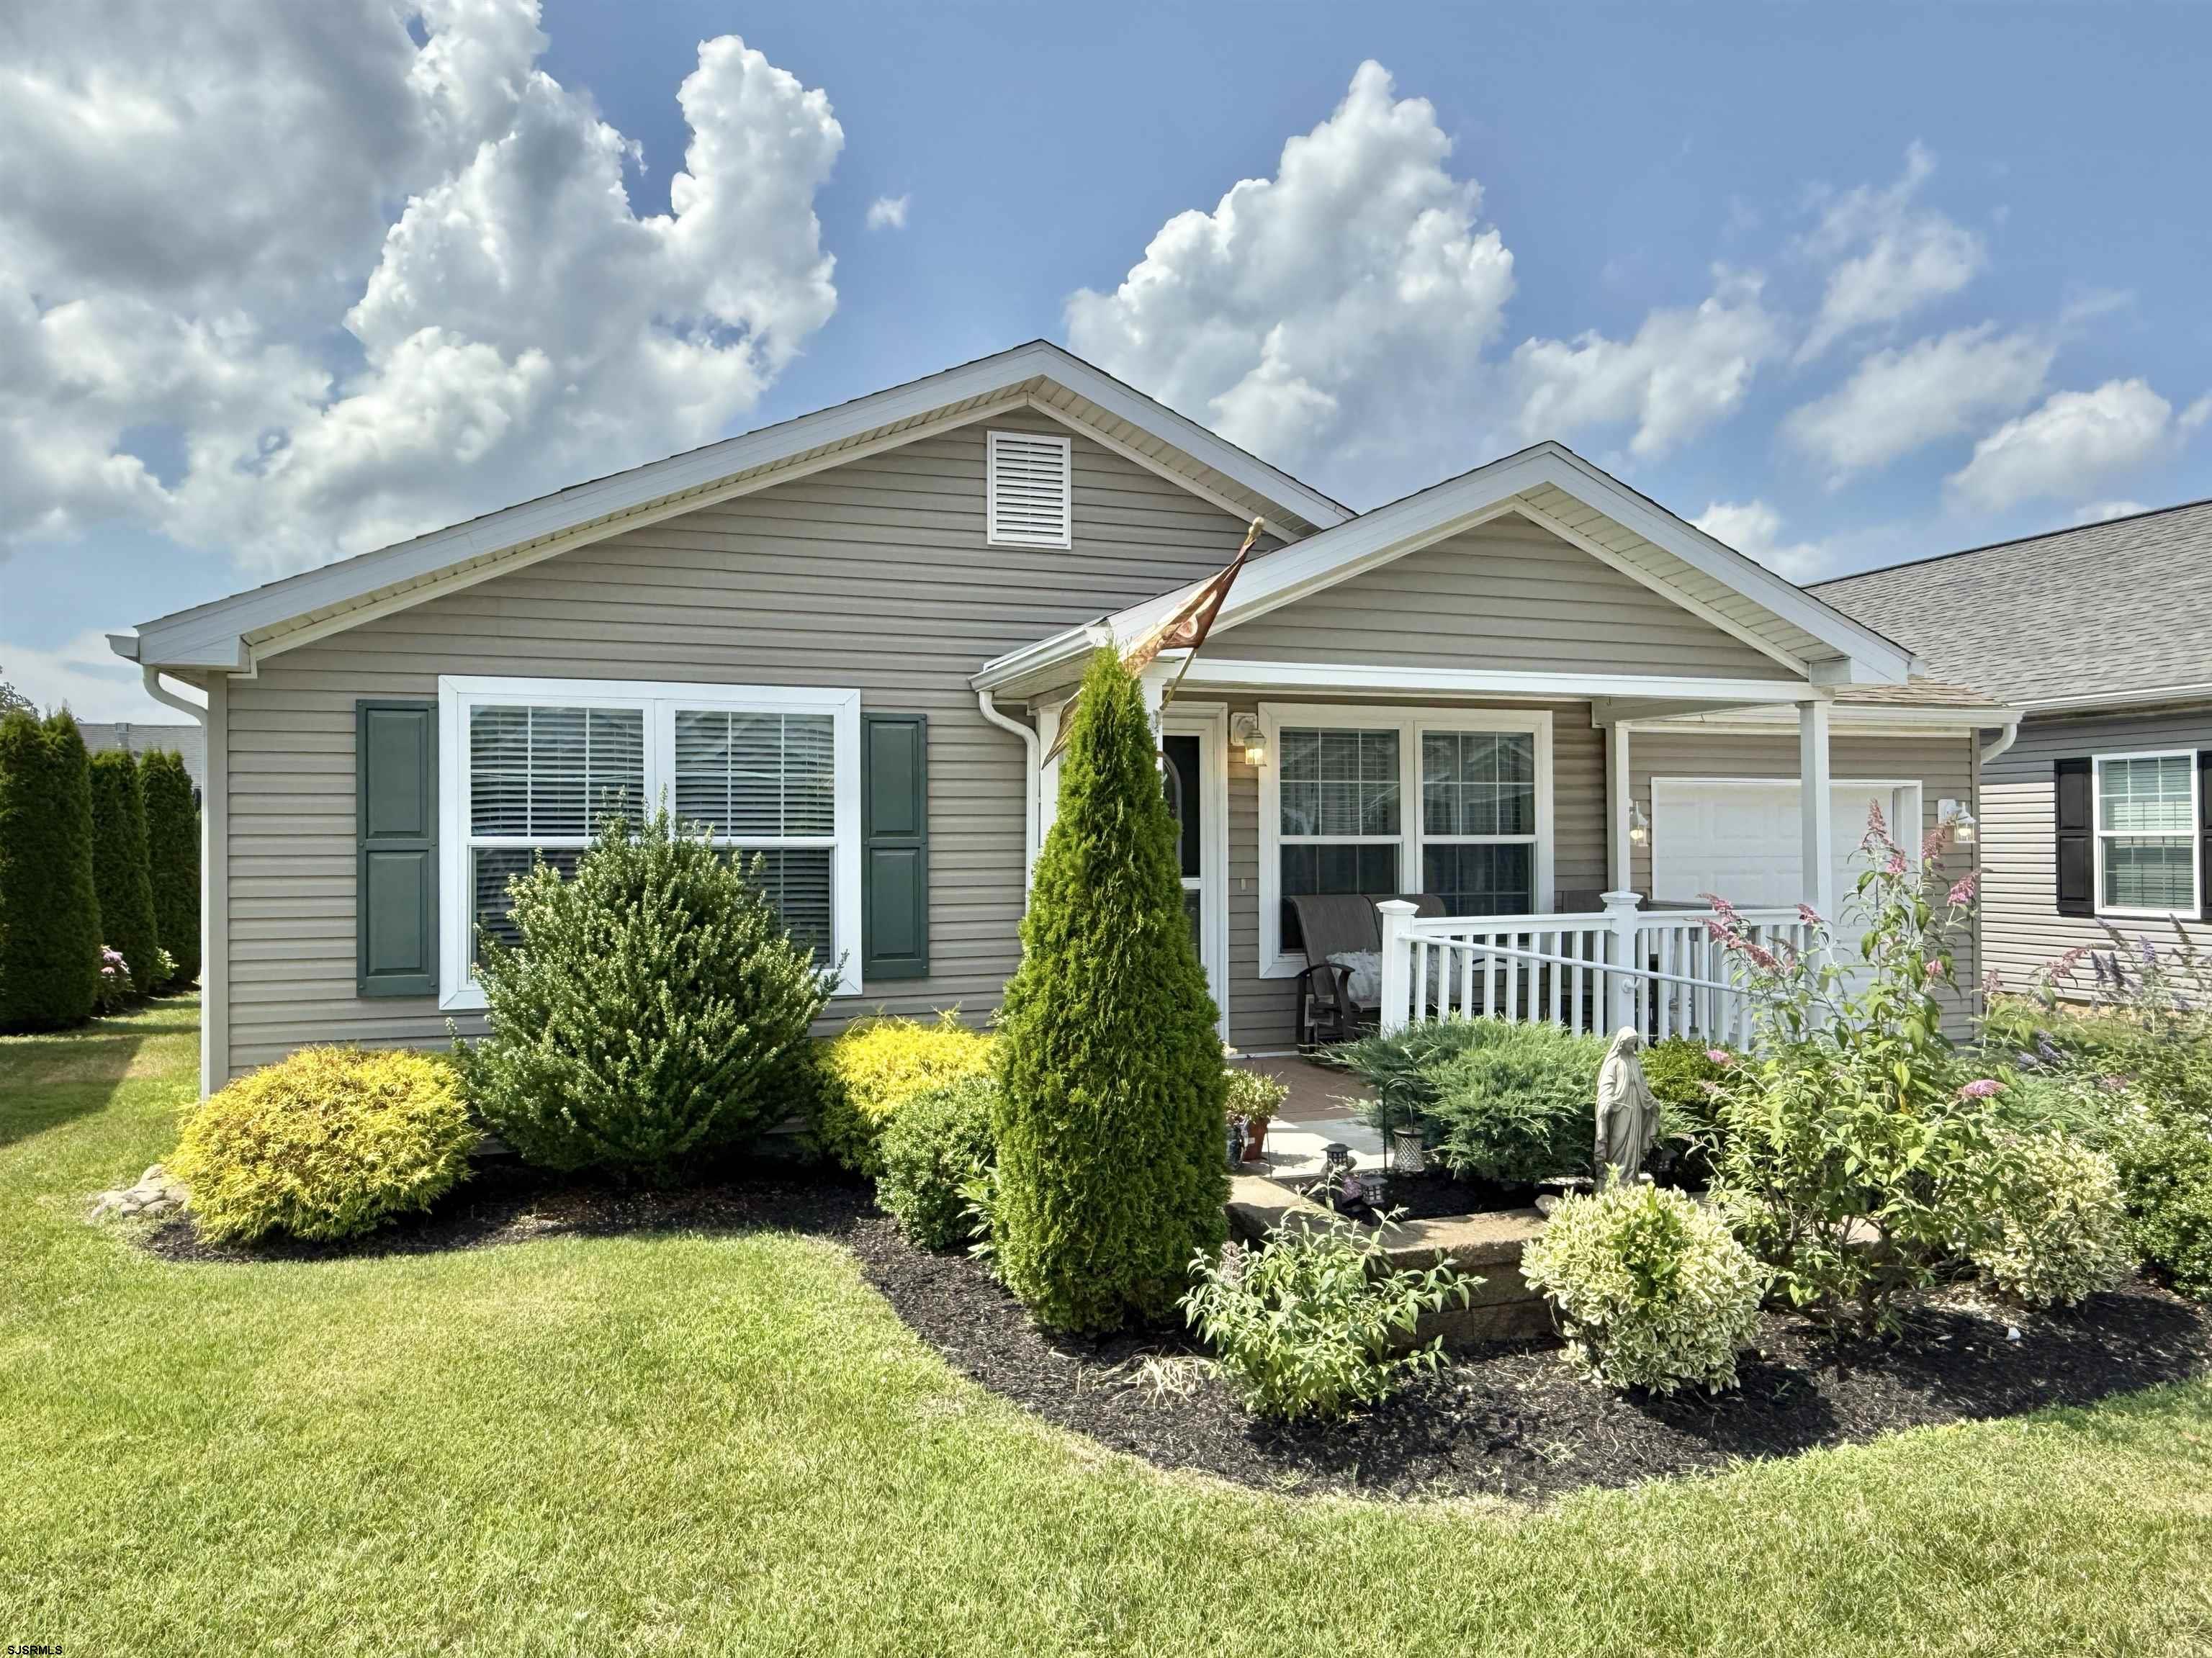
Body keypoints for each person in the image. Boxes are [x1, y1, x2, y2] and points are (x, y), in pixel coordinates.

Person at [1595, 1026, 1661, 1181]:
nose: (1633, 1046)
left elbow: (1642, 1086)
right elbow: (1606, 1085)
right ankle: (1614, 1176)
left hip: (1636, 1106)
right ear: (1621, 1043)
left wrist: (1651, 1101)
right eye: (1630, 1043)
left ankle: (1631, 1175)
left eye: (1634, 1043)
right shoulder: (1613, 1062)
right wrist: (1606, 1101)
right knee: (1617, 1139)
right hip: (1620, 1108)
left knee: (1633, 1143)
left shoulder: (1634, 1062)